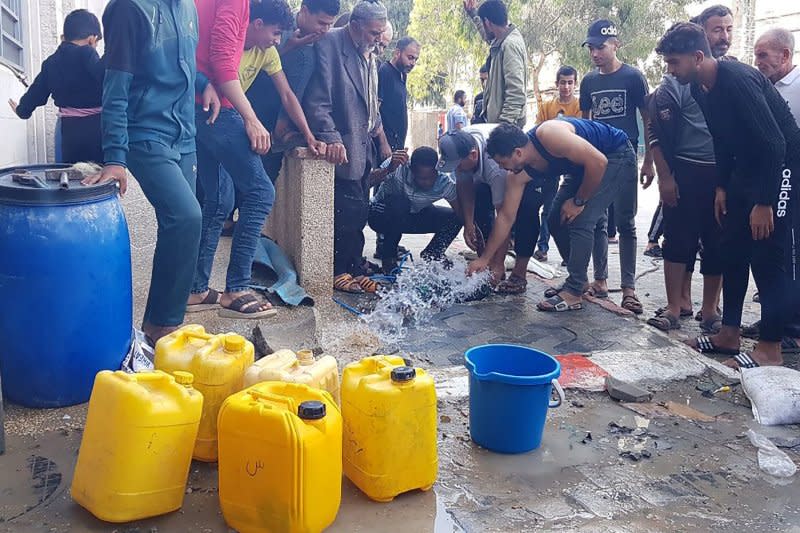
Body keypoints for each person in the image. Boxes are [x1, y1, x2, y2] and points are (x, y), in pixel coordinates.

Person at [657, 22, 800, 369]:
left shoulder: (737, 79)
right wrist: (722, 186)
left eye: (674, 63)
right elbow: (720, 140)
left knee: (768, 256)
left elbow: (775, 142)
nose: (670, 71)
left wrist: (765, 201)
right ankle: (729, 334)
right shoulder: (698, 90)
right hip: (744, 168)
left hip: (781, 166)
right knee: (730, 247)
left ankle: (770, 349)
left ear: (697, 56)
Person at [86, 0, 220, 343]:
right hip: (144, 132)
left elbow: (183, 62)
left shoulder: (187, 8)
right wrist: (115, 156)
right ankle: (161, 326)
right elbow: (114, 87)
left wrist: (204, 82)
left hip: (184, 135)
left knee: (184, 226)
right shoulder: (129, 8)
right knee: (186, 216)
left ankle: (165, 318)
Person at [468, 120, 636, 313]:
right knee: (555, 220)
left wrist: (578, 201)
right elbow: (506, 217)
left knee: (580, 220)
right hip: (582, 168)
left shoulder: (549, 135)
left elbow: (598, 162)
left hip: (615, 155)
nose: (503, 168)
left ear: (518, 153)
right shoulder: (517, 174)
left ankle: (574, 292)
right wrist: (485, 259)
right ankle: (579, 281)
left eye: (503, 163)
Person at [189, 0, 287, 319]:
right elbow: (221, 62)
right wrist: (252, 119)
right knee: (261, 192)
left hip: (199, 103)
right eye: (275, 32)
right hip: (214, 108)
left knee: (219, 200)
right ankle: (237, 289)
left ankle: (196, 289)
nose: (277, 39)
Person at [305, 0, 392, 294]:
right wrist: (331, 137)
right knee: (345, 211)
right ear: (354, 27)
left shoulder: (369, 52)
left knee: (359, 212)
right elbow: (317, 102)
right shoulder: (329, 44)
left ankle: (355, 266)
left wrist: (381, 141)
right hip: (343, 144)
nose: (379, 39)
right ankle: (340, 270)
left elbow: (371, 103)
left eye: (380, 32)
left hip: (363, 147)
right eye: (373, 32)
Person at [579, 19, 654, 314]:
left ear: (615, 45)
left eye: (601, 47)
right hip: (597, 159)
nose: (596, 53)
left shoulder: (634, 77)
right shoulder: (588, 82)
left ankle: (628, 288)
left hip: (625, 157)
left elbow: (647, 118)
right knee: (596, 220)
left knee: (626, 223)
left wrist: (648, 158)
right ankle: (599, 280)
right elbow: (585, 122)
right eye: (591, 48)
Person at [246, 0, 340, 182]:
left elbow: (289, 94)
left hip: (277, 132)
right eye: (321, 23)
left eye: (329, 24)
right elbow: (253, 59)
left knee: (261, 192)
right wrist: (289, 46)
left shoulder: (321, 41)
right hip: (251, 116)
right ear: (304, 11)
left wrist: (308, 135)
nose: (325, 29)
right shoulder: (279, 25)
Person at [753, 27, 800, 350]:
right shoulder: (761, 87)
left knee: (791, 252)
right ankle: (776, 317)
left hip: (793, 180)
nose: (757, 62)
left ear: (785, 55)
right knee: (769, 250)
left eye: (763, 56)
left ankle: (792, 326)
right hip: (771, 179)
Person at [10, 9, 104, 164]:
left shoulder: (51, 62)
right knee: (100, 177)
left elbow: (37, 91)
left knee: (72, 174)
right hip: (96, 127)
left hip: (68, 131)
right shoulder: (87, 53)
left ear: (63, 37)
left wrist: (22, 110)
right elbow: (105, 78)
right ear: (91, 40)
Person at [369, 147, 463, 273]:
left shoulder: (443, 182)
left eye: (431, 177)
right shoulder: (397, 165)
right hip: (381, 216)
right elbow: (367, 183)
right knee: (400, 203)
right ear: (411, 170)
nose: (427, 183)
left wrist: (471, 230)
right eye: (421, 178)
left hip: (412, 217)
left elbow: (461, 212)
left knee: (456, 218)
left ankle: (433, 254)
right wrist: (388, 169)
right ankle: (389, 258)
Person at [534, 65, 582, 263]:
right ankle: (542, 247)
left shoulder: (580, 107)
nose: (566, 87)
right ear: (557, 84)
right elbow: (538, 131)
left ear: (575, 84)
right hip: (550, 163)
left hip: (572, 162)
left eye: (570, 82)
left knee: (569, 208)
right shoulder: (546, 107)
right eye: (563, 82)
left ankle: (568, 250)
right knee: (548, 207)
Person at [463, 0, 527, 126]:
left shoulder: (510, 45)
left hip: (506, 128)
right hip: (499, 126)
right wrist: (473, 13)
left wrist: (503, 128)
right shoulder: (501, 40)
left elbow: (516, 93)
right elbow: (487, 35)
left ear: (487, 22)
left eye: (483, 22)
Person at [379, 36, 420, 151]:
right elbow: (375, 112)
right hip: (385, 147)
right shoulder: (384, 71)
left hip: (397, 145)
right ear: (397, 53)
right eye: (410, 57)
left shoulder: (402, 75)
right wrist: (383, 143)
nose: (413, 63)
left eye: (416, 59)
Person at [472, 60, 490, 125]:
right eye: (482, 80)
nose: (484, 84)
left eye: (486, 79)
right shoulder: (478, 98)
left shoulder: (501, 97)